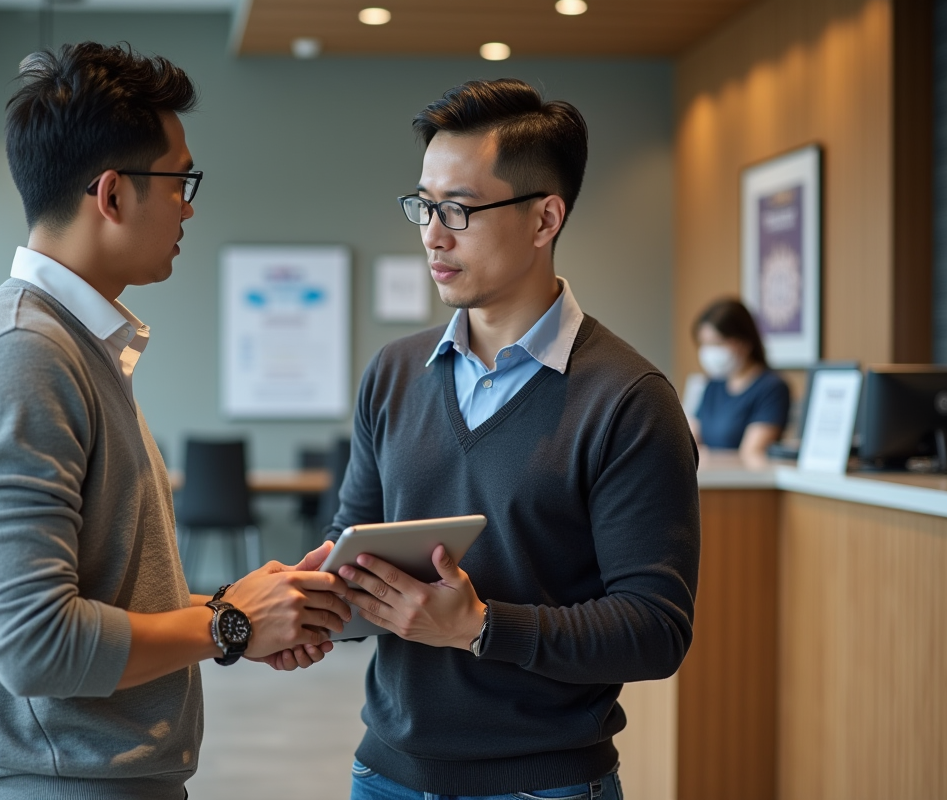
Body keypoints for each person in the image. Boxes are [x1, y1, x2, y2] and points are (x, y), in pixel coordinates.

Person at [0, 42, 350, 800]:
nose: (188, 203)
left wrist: (235, 610)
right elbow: (34, 645)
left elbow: (103, 600)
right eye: (180, 179)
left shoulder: (69, 345)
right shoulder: (26, 356)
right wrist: (229, 628)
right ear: (112, 194)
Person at [318, 78, 701, 800]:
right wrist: (326, 596)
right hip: (386, 773)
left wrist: (481, 626)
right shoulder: (393, 372)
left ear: (544, 218)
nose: (432, 233)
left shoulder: (628, 401)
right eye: (424, 206)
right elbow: (354, 536)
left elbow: (655, 630)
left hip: (540, 784)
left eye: (458, 209)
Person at [689, 297, 791, 457]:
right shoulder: (713, 385)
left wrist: (706, 455)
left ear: (744, 342)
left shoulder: (772, 388)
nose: (708, 352)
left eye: (717, 343)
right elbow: (690, 443)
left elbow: (751, 452)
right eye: (704, 344)